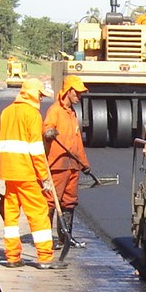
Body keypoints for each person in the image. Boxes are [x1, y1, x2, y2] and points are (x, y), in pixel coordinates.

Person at [0, 77, 65, 269]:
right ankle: (45, 257)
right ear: (33, 94)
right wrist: (44, 177)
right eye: (41, 95)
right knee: (38, 212)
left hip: (8, 171)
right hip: (26, 172)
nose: (42, 99)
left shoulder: (6, 112)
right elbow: (36, 150)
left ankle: (12, 256)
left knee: (11, 214)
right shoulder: (32, 114)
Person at [43, 74, 91, 249]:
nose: (79, 96)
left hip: (72, 165)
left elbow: (77, 141)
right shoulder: (55, 110)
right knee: (51, 201)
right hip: (58, 165)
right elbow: (47, 127)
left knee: (69, 202)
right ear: (68, 91)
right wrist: (49, 133)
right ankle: (46, 239)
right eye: (77, 93)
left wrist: (84, 163)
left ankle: (65, 238)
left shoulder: (72, 113)